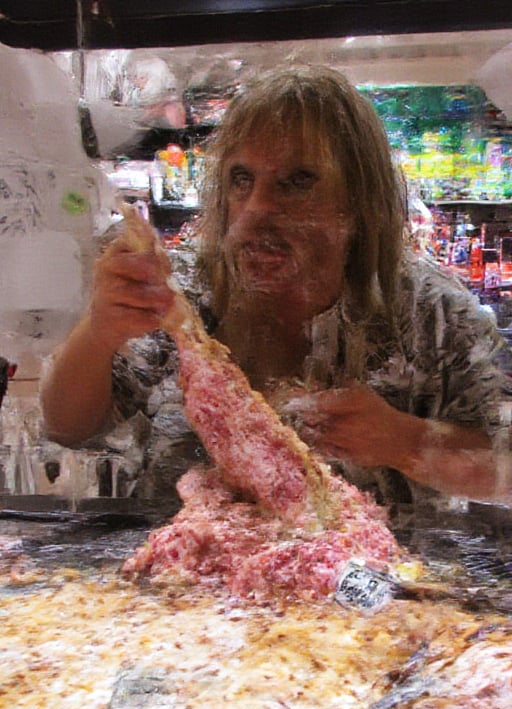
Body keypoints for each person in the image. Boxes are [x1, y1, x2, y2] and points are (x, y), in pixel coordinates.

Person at [40, 65, 511, 511]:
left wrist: (404, 441)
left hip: (372, 584)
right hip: (183, 584)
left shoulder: (432, 313)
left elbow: (504, 466)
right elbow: (68, 427)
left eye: (297, 181)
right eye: (241, 180)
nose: (256, 209)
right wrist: (98, 333)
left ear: (358, 201)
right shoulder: (176, 293)